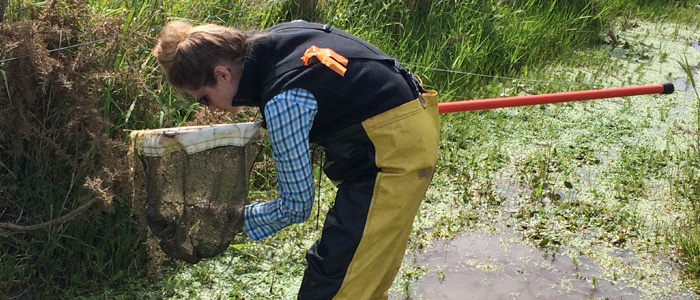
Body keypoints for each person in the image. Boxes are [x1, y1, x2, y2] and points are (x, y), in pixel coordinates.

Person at [152, 19, 440, 300]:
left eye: (204, 98)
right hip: (410, 122)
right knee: (367, 276)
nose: (211, 107)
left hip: (393, 154)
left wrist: (228, 217)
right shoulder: (282, 36)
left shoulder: (284, 100)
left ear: (222, 74)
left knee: (334, 282)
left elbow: (296, 206)